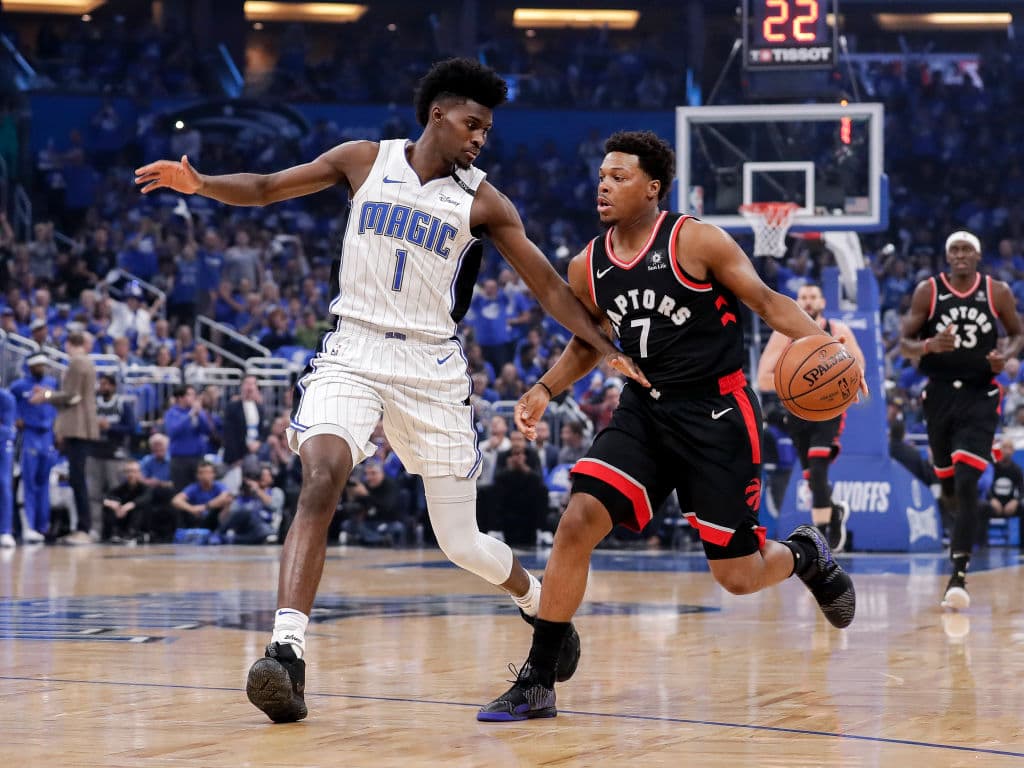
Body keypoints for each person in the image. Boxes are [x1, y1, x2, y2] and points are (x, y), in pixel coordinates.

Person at [136, 58, 646, 724]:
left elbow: (550, 287)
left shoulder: (484, 199)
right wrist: (201, 183)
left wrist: (605, 344)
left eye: (487, 131)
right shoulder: (362, 159)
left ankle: (534, 598)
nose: (479, 139)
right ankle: (285, 655)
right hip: (353, 348)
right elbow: (263, 187)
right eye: (472, 124)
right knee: (320, 477)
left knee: (460, 542)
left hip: (431, 368)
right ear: (437, 113)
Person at [477, 130, 862, 722]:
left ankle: (804, 554)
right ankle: (539, 677)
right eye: (602, 176)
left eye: (619, 176)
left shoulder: (696, 240)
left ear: (653, 187)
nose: (604, 185)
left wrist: (826, 348)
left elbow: (765, 300)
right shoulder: (589, 264)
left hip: (718, 416)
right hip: (646, 410)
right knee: (578, 519)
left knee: (737, 576)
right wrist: (544, 389)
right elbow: (591, 344)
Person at [900, 230, 1023, 610]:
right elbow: (903, 342)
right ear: (947, 256)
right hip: (939, 395)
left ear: (978, 255)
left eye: (967, 249)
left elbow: (1018, 334)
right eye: (954, 249)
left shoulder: (996, 291)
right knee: (950, 486)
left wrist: (1007, 356)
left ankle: (958, 576)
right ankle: (958, 527)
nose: (960, 255)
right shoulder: (928, 291)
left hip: (980, 395)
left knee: (968, 481)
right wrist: (927, 346)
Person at [756, 284, 866, 551]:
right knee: (811, 476)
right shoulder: (784, 334)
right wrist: (800, 385)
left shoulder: (839, 331)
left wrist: (834, 381)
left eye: (813, 296)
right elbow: (763, 379)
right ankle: (834, 511)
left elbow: (857, 369)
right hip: (797, 413)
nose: (808, 301)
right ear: (796, 302)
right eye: (803, 297)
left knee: (817, 470)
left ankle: (821, 541)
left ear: (823, 301)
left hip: (829, 411)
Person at [31, 332, 99, 545]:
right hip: (81, 426)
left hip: (78, 427)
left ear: (70, 344)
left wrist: (47, 395)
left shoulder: (78, 362)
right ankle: (83, 527)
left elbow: (73, 395)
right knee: (77, 478)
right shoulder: (85, 362)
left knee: (78, 479)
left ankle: (84, 529)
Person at [10, 354, 57, 543]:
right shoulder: (18, 386)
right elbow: (6, 402)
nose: (41, 368)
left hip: (48, 435)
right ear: (30, 367)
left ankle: (42, 526)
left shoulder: (51, 383)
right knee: (29, 482)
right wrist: (15, 418)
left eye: (43, 365)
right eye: (38, 365)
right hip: (29, 435)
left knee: (44, 483)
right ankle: (29, 526)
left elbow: (57, 404)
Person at [979, 436, 1023, 547]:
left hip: (1010, 505)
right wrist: (992, 499)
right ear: (1000, 449)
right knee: (981, 507)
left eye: (1010, 448)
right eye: (1005, 447)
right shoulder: (993, 467)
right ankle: (981, 543)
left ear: (1013, 451)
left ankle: (1022, 545)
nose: (1007, 451)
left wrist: (1015, 501)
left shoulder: (1017, 470)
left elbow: (1022, 489)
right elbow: (986, 486)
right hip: (994, 504)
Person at [0, 387, 15, 548]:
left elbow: (7, 429)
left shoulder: (6, 398)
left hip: (2, 447)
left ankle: (5, 531)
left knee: (3, 485)